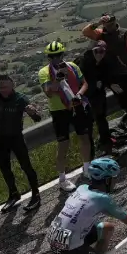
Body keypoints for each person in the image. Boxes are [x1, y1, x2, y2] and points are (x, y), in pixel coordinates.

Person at [82, 15, 127, 146]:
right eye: (106, 23)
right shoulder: (100, 34)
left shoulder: (125, 33)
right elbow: (86, 32)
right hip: (113, 78)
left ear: (115, 22)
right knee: (124, 103)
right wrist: (97, 22)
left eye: (111, 22)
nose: (109, 25)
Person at [38, 39, 94, 188]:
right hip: (59, 111)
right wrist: (58, 78)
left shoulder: (72, 66)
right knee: (63, 144)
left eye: (59, 55)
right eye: (52, 56)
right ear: (48, 58)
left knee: (84, 137)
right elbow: (49, 93)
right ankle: (62, 179)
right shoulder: (44, 72)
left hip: (77, 105)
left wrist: (80, 94)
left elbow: (85, 83)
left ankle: (87, 169)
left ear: (63, 54)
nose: (56, 58)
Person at [0, 73, 42, 209]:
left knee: (26, 166)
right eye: (0, 85)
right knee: (5, 168)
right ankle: (13, 193)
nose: (2, 87)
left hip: (16, 138)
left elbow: (37, 118)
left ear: (12, 84)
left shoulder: (20, 99)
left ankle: (36, 194)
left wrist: (32, 113)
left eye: (5, 84)